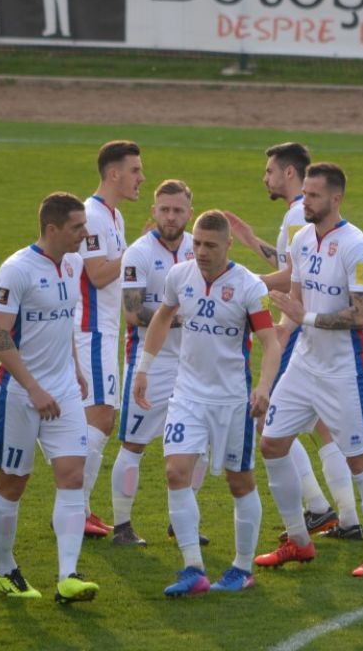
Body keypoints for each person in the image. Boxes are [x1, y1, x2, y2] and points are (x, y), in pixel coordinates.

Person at [254, 162, 363, 577]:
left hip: (344, 372)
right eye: (305, 194)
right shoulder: (301, 241)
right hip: (304, 365)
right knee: (271, 444)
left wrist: (306, 318)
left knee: (360, 461)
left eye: (313, 196)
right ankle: (299, 541)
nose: (305, 202)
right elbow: (295, 303)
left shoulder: (357, 247)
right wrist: (279, 333)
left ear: (336, 198)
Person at [133, 210, 280, 596]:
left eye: (210, 245)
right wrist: (144, 368)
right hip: (187, 395)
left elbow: (271, 343)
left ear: (228, 244)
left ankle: (242, 568)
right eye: (196, 243)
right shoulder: (179, 276)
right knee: (175, 472)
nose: (200, 251)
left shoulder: (249, 286)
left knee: (239, 481)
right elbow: (162, 317)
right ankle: (193, 569)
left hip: (232, 400)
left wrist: (264, 387)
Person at [224, 142, 361, 541]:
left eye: (269, 171)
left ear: (289, 173)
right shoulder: (300, 215)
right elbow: (295, 267)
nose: (265, 178)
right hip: (308, 328)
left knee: (269, 421)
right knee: (318, 425)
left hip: (302, 329)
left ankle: (318, 508)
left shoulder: (298, 213)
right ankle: (345, 516)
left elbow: (290, 277)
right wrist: (252, 241)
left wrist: (244, 281)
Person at [0, 192, 100, 603]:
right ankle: (4, 570)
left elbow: (64, 321)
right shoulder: (16, 271)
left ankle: (68, 576)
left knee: (72, 475)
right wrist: (34, 388)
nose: (85, 234)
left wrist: (75, 367)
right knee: (12, 483)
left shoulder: (72, 264)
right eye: (77, 227)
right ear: (52, 229)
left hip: (64, 390)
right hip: (18, 393)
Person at [111, 179, 199, 547]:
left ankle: (182, 520)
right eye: (164, 210)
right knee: (134, 444)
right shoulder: (139, 254)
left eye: (178, 210)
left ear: (189, 213)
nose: (170, 217)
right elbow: (133, 314)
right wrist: (185, 319)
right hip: (151, 363)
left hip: (194, 364)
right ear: (153, 211)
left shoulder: (199, 247)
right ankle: (122, 525)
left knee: (196, 444)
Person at [75, 140, 144, 538]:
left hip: (104, 331)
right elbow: (99, 274)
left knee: (96, 418)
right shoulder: (93, 216)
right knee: (101, 417)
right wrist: (137, 251)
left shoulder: (113, 216)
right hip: (90, 331)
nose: (141, 178)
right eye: (135, 170)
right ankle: (75, 508)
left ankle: (80, 507)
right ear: (113, 173)